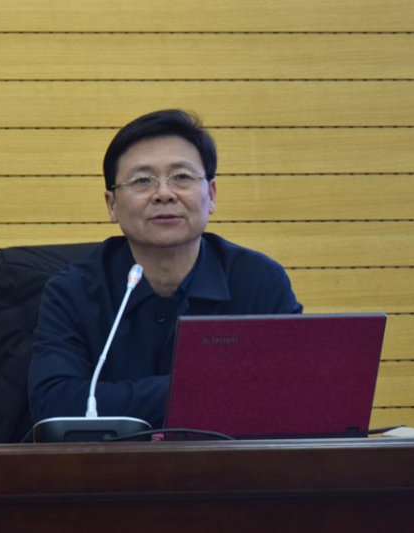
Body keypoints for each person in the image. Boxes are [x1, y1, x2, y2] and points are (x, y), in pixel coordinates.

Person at [28, 109, 303, 428]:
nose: (164, 194)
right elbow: (55, 406)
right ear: (111, 205)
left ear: (212, 195)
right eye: (142, 181)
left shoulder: (258, 282)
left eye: (182, 177)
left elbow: (293, 393)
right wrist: (210, 389)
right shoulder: (73, 291)